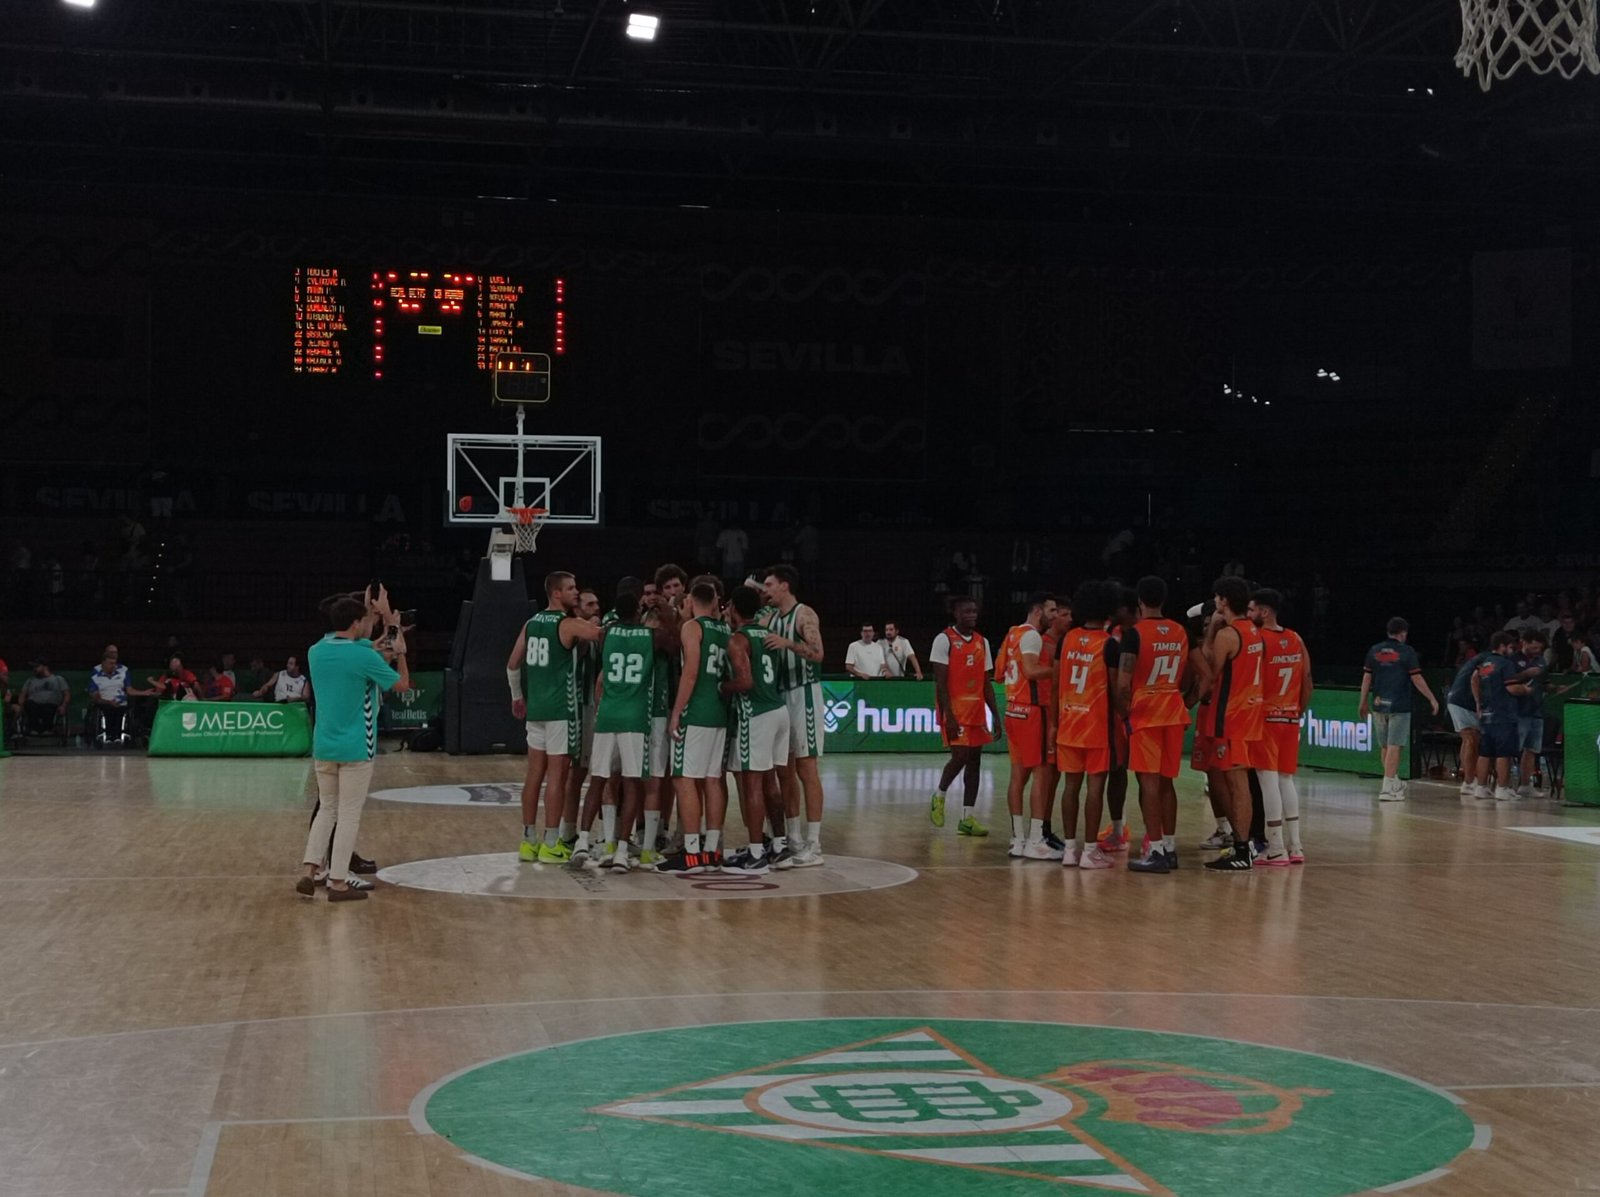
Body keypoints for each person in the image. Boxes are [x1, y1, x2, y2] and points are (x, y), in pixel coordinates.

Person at [295, 591, 410, 901]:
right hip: (356, 745)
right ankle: (338, 881)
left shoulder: (316, 651)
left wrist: (387, 624)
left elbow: (372, 644)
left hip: (324, 745)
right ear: (357, 622)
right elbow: (401, 684)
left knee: (326, 810)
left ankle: (309, 870)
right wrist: (399, 649)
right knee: (348, 814)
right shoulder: (362, 656)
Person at [508, 571, 603, 864]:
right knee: (558, 778)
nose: (576, 592)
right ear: (556, 593)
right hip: (562, 711)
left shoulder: (531, 622)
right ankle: (552, 842)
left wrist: (517, 697)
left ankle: (528, 841)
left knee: (534, 776)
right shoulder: (568, 624)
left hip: (535, 710)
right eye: (571, 588)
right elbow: (601, 634)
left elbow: (512, 665)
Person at [1117, 576, 1190, 875]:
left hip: (1146, 714)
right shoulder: (1180, 631)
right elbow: (1191, 674)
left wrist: (1124, 715)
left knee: (1147, 783)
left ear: (1139, 602)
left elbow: (1123, 684)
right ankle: (1169, 848)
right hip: (1173, 710)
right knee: (1166, 783)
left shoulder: (1134, 634)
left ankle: (1156, 849)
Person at [660, 580, 732, 874]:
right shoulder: (724, 629)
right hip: (718, 711)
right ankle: (712, 850)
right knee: (713, 779)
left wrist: (676, 712)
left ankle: (690, 853)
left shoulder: (692, 627)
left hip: (696, 711)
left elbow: (690, 671)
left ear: (690, 600)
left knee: (684, 780)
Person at [1051, 579, 1122, 870]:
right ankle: (1090, 850)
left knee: (1070, 787)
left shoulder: (1066, 640)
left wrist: (1054, 724)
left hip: (1069, 722)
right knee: (1095, 789)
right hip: (1097, 727)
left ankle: (1070, 849)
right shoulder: (1109, 645)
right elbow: (1117, 692)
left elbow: (1056, 685)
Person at [587, 589, 658, 873]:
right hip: (634, 717)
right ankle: (623, 849)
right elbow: (674, 639)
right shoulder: (652, 636)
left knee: (600, 779)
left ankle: (590, 841)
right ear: (638, 612)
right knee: (632, 784)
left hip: (607, 714)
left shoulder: (606, 633)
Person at [762, 564, 827, 867]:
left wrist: (789, 643)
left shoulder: (804, 614)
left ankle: (814, 843)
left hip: (804, 694)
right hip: (780, 695)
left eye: (769, 584)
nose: (766, 590)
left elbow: (818, 653)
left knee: (806, 767)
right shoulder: (771, 617)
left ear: (784, 585)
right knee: (783, 770)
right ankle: (793, 837)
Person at [723, 584, 790, 875]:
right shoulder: (769, 633)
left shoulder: (739, 639)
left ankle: (755, 855)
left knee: (752, 785)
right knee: (770, 783)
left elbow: (746, 682)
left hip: (757, 714)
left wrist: (721, 686)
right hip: (779, 709)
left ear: (734, 609)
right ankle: (779, 845)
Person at [1202, 576, 1265, 872]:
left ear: (1223, 601)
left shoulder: (1229, 634)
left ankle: (1242, 848)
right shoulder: (1253, 631)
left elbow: (1209, 672)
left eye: (1217, 598)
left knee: (1238, 784)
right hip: (1249, 715)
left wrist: (1211, 632)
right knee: (1239, 783)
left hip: (1232, 718)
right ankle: (1244, 845)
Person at [1249, 588, 1313, 866]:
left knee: (1268, 781)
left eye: (1251, 610)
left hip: (1266, 718)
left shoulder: (1258, 639)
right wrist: (1297, 710)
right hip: (1290, 717)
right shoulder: (1296, 638)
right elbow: (1307, 679)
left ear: (1264, 612)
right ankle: (1295, 846)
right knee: (1286, 780)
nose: (1248, 615)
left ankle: (1275, 847)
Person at [929, 596, 999, 837]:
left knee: (975, 763)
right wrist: (948, 715)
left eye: (974, 611)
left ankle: (967, 818)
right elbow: (940, 683)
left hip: (977, 709)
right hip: (955, 709)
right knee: (961, 756)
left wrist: (995, 715)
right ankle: (939, 795)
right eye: (967, 611)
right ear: (955, 613)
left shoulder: (983, 642)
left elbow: (986, 682)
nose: (972, 614)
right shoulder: (944, 639)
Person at [995, 593, 1054, 856]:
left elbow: (998, 674)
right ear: (1038, 610)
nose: (1054, 615)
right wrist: (1059, 669)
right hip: (1030, 711)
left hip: (1012, 710)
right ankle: (1036, 841)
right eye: (1051, 610)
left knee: (1017, 776)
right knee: (1042, 774)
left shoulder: (1012, 634)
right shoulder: (1032, 636)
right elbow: (1030, 671)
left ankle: (1018, 839)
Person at [1357, 616, 1439, 802]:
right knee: (1394, 745)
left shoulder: (1374, 650)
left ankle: (1393, 782)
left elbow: (1366, 678)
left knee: (1385, 745)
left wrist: (1362, 701)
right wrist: (1432, 698)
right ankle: (1386, 789)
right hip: (1399, 705)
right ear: (1403, 633)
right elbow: (1417, 679)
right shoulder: (1407, 652)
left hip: (1378, 703)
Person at [1471, 631, 1529, 802]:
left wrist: (1478, 702)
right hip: (1504, 714)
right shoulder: (1505, 664)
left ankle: (1481, 787)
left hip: (1487, 713)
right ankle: (1502, 789)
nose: (1511, 650)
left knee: (1485, 752)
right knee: (1504, 753)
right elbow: (1511, 688)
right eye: (1510, 647)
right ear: (1502, 646)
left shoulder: (1484, 663)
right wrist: (1525, 690)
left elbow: (1474, 679)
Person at [1447, 635, 1487, 798]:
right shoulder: (1488, 660)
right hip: (1464, 702)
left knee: (1468, 739)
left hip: (1455, 700)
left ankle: (1468, 781)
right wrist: (1479, 702)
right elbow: (1476, 679)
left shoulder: (1477, 659)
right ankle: (1470, 782)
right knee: (1471, 739)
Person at [1514, 628, 1551, 798]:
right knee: (1512, 750)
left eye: (1540, 649)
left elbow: (1543, 683)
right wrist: (1526, 674)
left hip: (1536, 711)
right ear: (1524, 642)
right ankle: (1503, 785)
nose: (1537, 651)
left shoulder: (1541, 661)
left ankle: (1525, 785)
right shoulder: (1513, 659)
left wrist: (1553, 688)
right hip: (1518, 711)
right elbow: (1508, 680)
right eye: (1534, 647)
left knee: (1532, 750)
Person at [87, 652, 152, 744]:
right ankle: (109, 735)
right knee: (108, 710)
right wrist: (108, 702)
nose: (113, 666)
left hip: (121, 703)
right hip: (104, 703)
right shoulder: (95, 674)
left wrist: (143, 692)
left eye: (115, 663)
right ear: (103, 663)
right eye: (111, 663)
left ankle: (118, 735)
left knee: (123, 710)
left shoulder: (123, 672)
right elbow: (94, 695)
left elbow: (129, 690)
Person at [14, 662, 70, 738]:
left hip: (51, 705)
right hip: (33, 705)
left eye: (37, 667)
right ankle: (33, 728)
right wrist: (20, 705)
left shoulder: (58, 679)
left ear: (45, 667)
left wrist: (64, 705)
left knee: (49, 708)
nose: (34, 669)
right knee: (30, 705)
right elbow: (23, 694)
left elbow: (67, 694)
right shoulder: (30, 680)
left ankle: (47, 728)